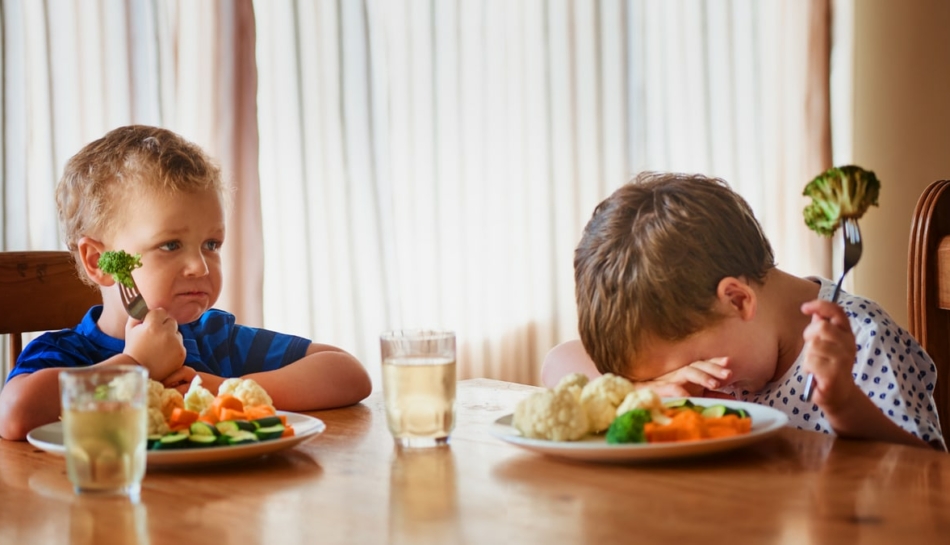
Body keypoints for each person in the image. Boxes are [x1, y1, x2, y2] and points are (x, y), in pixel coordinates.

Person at [0, 125, 372, 440]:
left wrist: (228, 390)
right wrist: (134, 365)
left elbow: (348, 373)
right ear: (101, 262)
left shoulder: (213, 338)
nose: (199, 266)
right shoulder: (69, 354)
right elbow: (16, 414)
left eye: (211, 244)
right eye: (170, 245)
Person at [543, 171, 945, 450]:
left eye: (694, 365)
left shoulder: (861, 343)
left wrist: (844, 406)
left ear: (737, 300)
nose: (693, 384)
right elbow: (557, 362)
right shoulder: (707, 331)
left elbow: (928, 478)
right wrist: (642, 391)